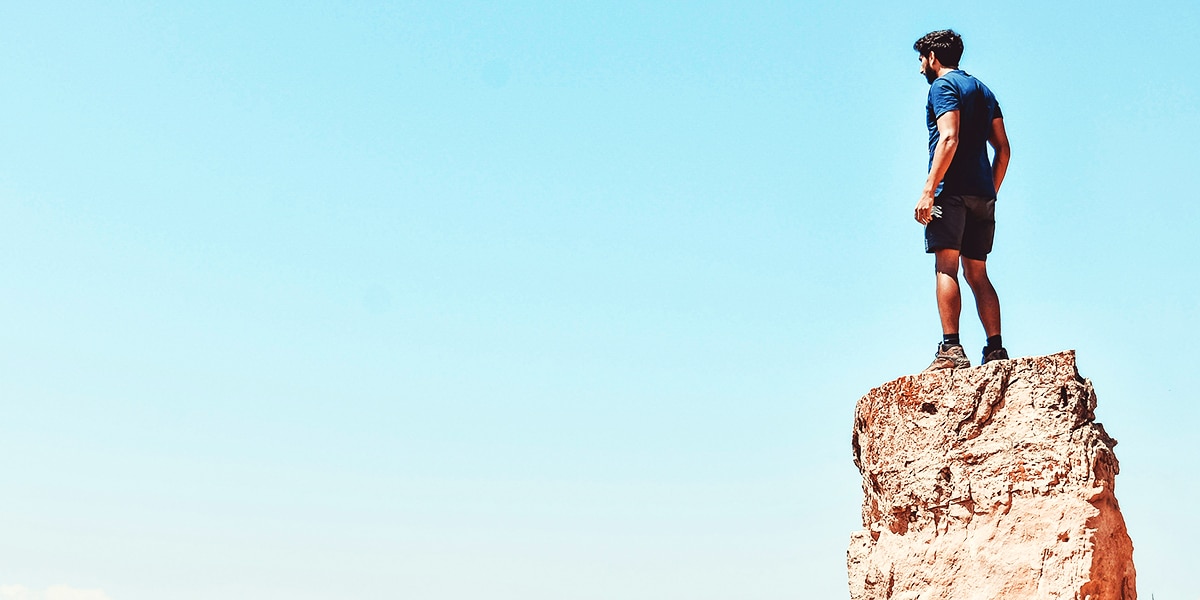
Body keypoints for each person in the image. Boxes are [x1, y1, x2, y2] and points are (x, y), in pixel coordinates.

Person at [912, 29, 1011, 371]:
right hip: (982, 193)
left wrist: (929, 189)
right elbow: (1003, 148)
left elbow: (949, 137)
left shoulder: (942, 87)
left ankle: (951, 350)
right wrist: (990, 189)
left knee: (947, 266)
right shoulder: (983, 91)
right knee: (978, 271)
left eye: (921, 60)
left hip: (950, 193)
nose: (921, 68)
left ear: (933, 58)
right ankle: (995, 349)